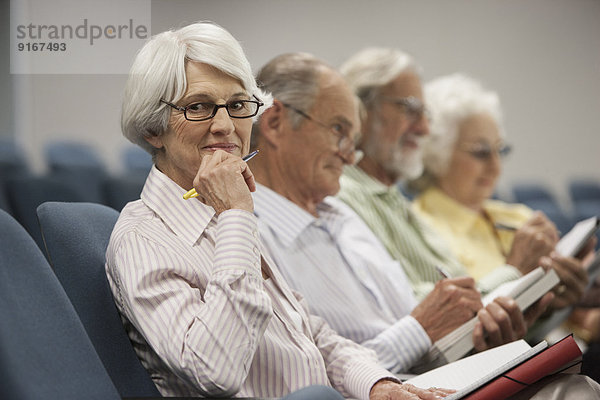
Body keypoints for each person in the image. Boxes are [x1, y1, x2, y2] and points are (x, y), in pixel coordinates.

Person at [105, 21, 451, 400]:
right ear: (153, 129)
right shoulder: (142, 237)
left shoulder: (219, 214)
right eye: (199, 107)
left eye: (237, 105)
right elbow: (213, 370)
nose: (225, 126)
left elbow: (310, 333)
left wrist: (379, 386)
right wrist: (236, 214)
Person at [248, 51, 600, 399]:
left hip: (437, 374)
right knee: (576, 388)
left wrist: (490, 333)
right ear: (276, 122)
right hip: (389, 388)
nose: (348, 152)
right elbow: (318, 371)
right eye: (339, 130)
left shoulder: (341, 216)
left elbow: (430, 328)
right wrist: (426, 329)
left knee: (576, 381)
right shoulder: (253, 238)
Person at [337, 47, 591, 308]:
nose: (424, 128)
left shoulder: (393, 201)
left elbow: (481, 325)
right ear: (360, 111)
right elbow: (417, 314)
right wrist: (515, 271)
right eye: (410, 108)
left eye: (500, 151)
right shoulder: (343, 196)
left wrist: (551, 305)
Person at [413, 72, 600, 378]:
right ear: (438, 153)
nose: (496, 167)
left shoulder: (518, 216)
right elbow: (466, 330)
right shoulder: (424, 228)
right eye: (481, 152)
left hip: (563, 346)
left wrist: (580, 290)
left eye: (500, 150)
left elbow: (581, 316)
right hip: (498, 369)